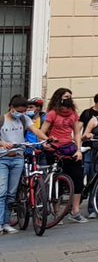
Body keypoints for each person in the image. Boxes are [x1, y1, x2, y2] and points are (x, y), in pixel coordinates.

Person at [2, 96, 46, 232]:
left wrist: (47, 139)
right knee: (1, 192)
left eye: (23, 111)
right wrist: (3, 143)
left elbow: (36, 131)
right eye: (18, 111)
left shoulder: (24, 119)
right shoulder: (2, 119)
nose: (21, 114)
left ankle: (6, 223)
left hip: (18, 158)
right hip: (2, 158)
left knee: (11, 193)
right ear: (11, 108)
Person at [44, 88, 86, 222]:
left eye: (70, 97)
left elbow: (77, 132)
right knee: (56, 181)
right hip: (55, 149)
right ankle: (57, 213)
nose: (69, 99)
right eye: (66, 97)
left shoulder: (73, 114)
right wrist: (45, 143)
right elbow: (43, 131)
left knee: (78, 179)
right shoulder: (52, 114)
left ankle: (75, 211)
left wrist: (78, 149)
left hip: (69, 148)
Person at [78, 91, 98, 184]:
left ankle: (94, 196)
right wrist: (78, 145)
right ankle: (81, 194)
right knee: (84, 171)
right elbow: (78, 130)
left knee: (96, 176)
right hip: (88, 147)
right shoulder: (87, 113)